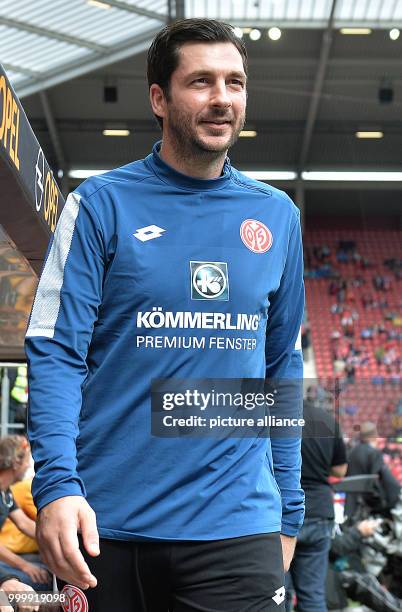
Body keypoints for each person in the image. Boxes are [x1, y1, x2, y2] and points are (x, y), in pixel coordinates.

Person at [26, 18, 305, 611]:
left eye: (235, 82)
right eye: (201, 82)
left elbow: (281, 363)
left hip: (237, 526)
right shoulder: (100, 205)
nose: (222, 99)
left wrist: (289, 508)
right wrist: (55, 485)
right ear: (160, 98)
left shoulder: (277, 215)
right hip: (104, 526)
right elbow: (55, 350)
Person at [286, 399, 347, 612]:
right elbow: (340, 470)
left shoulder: (275, 416)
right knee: (312, 595)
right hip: (319, 512)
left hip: (282, 512)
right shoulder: (327, 420)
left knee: (277, 594)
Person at [0, 437, 49, 591]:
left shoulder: (5, 492)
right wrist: (25, 566)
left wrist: (55, 535)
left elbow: (24, 524)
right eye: (27, 460)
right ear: (15, 463)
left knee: (45, 570)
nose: (28, 465)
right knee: (42, 582)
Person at [346, 421, 401, 519]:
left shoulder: (351, 452)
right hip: (369, 508)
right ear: (374, 435)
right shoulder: (374, 453)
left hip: (351, 505)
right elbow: (378, 481)